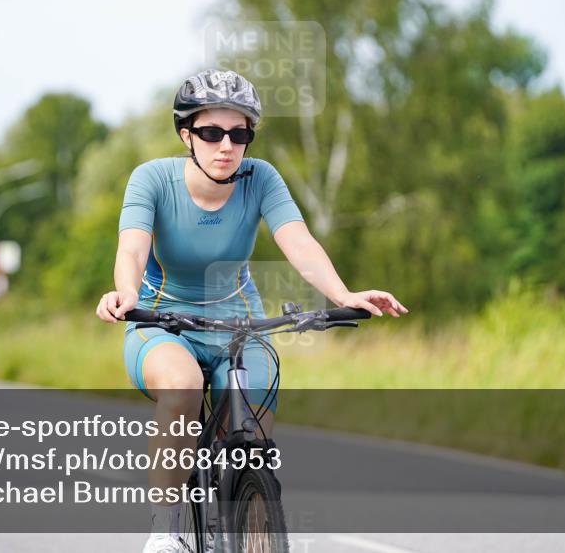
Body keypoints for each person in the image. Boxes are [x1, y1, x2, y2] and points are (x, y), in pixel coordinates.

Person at [95, 69, 408, 553]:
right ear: (187, 135)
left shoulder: (261, 178)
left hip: (237, 325)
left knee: (249, 433)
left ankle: (243, 524)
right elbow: (131, 249)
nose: (226, 145)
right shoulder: (152, 179)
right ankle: (166, 531)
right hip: (162, 322)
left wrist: (342, 295)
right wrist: (126, 293)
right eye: (212, 133)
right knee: (182, 387)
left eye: (239, 134)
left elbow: (298, 242)